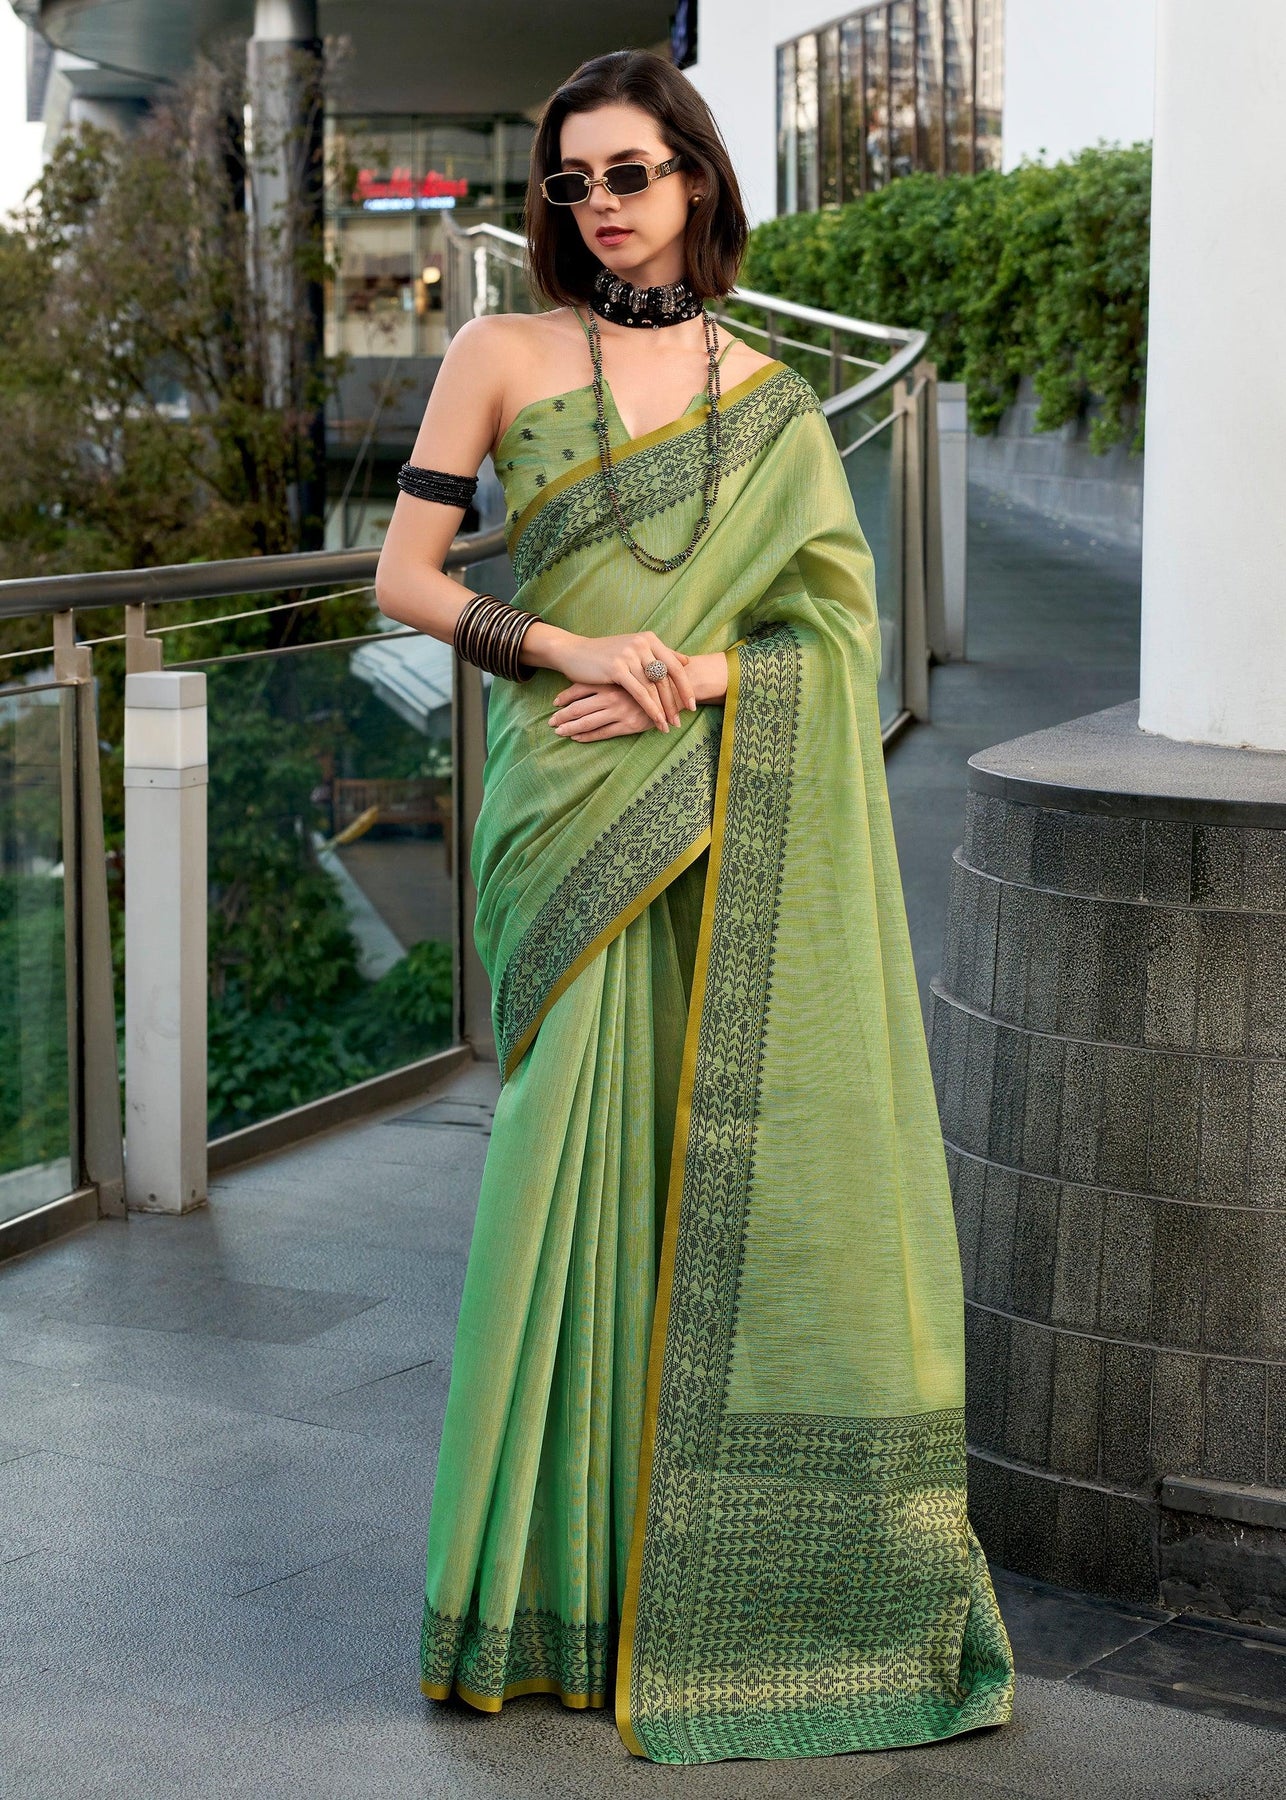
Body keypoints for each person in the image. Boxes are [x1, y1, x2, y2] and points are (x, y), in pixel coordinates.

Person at [374, 46, 1015, 1770]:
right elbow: (404, 576)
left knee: (705, 1167)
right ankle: (538, 1599)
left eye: (630, 173)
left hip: (722, 790)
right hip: (564, 794)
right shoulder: (500, 353)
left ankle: (711, 1585)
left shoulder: (775, 401)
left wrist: (699, 673)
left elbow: (833, 637)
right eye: (572, 180)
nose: (600, 204)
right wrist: (571, 647)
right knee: (562, 1161)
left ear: (698, 182)